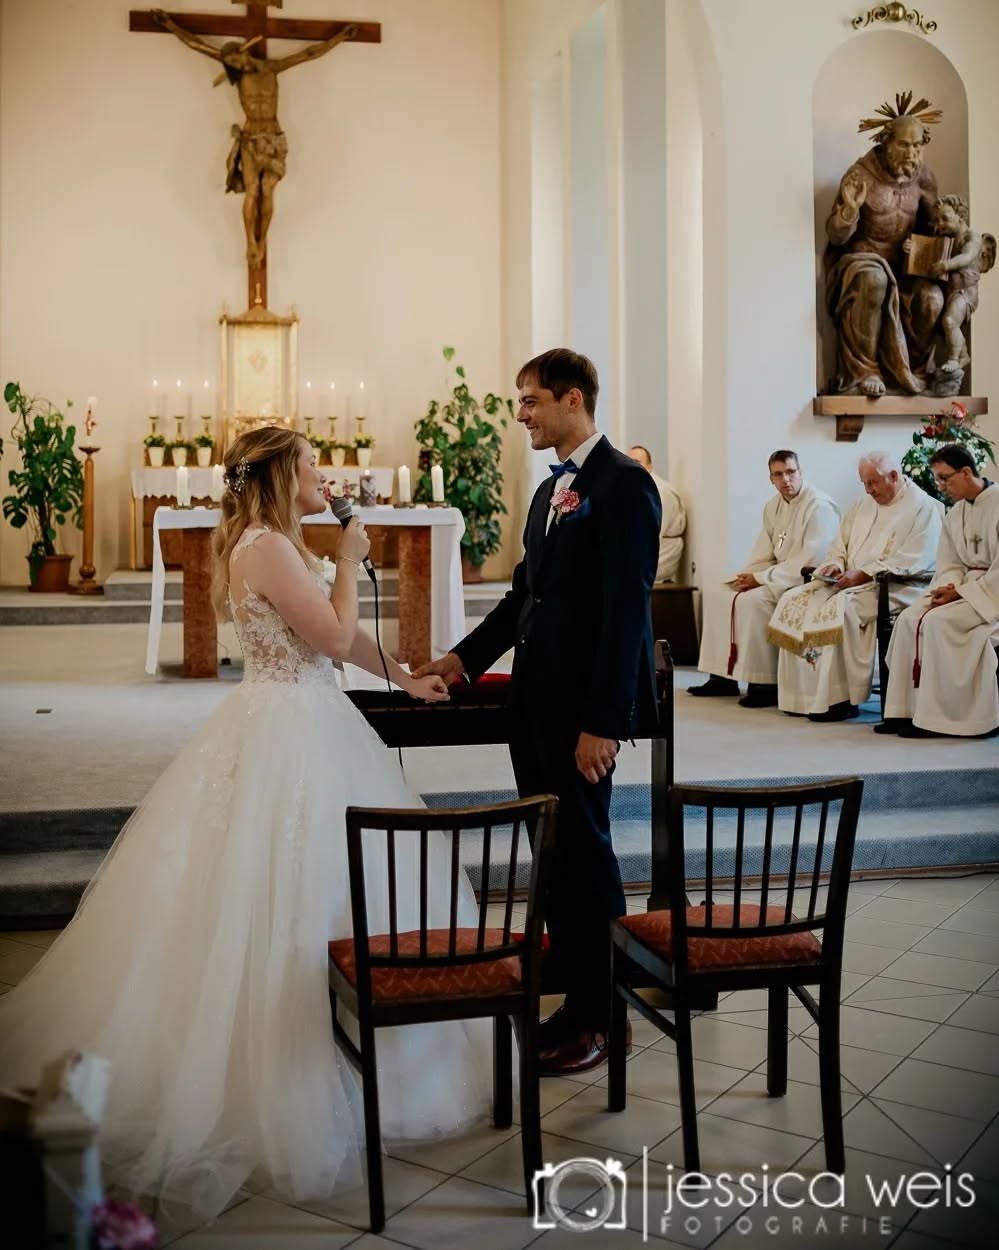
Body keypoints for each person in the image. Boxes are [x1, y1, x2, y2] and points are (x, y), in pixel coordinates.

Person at [0, 427, 492, 1218]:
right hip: (286, 732)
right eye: (309, 464)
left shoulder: (279, 543)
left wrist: (402, 677)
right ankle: (284, 1071)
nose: (322, 474)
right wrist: (350, 548)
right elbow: (329, 635)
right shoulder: (267, 546)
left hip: (307, 712)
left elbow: (335, 642)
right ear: (277, 476)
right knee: (278, 889)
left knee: (330, 884)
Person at [414, 349, 661, 1076]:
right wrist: (463, 659)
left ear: (572, 400)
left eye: (529, 401)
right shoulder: (548, 491)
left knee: (586, 858)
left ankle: (605, 1017)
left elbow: (624, 616)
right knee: (552, 858)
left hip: (582, 712)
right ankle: (575, 1003)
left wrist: (603, 723)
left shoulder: (623, 486)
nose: (519, 414)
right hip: (536, 704)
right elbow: (526, 595)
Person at [153, 10, 358, 268]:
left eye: (236, 60)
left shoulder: (272, 68)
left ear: (243, 51)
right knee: (252, 191)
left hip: (273, 139)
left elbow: (309, 54)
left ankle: (263, 239)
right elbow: (197, 44)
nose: (237, 67)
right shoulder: (238, 75)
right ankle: (251, 241)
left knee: (268, 189)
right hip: (250, 138)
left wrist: (339, 38)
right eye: (232, 66)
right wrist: (171, 25)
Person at [770, 451, 943, 721]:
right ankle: (802, 697)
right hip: (851, 581)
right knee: (794, 599)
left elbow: (916, 559)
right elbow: (840, 543)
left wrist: (864, 574)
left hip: (896, 588)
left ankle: (840, 698)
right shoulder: (863, 504)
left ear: (894, 476)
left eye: (873, 483)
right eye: (864, 483)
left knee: (843, 608)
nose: (869, 490)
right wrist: (835, 564)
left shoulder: (923, 507)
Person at [690, 451, 839, 708]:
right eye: (778, 474)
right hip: (776, 576)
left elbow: (810, 560)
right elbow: (764, 550)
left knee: (752, 603)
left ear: (800, 472)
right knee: (720, 595)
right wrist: (749, 576)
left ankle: (764, 683)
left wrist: (760, 579)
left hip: (804, 581)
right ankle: (722, 677)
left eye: (791, 472)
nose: (786, 480)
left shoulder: (819, 507)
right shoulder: (773, 506)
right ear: (771, 479)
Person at [878, 444, 999, 738]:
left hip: (989, 593)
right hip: (963, 587)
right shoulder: (956, 512)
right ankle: (903, 711)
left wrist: (962, 592)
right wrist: (951, 587)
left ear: (967, 471)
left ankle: (942, 718)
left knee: (936, 623)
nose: (941, 486)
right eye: (938, 479)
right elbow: (949, 560)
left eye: (945, 478)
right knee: (908, 620)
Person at [824, 101, 943, 396]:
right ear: (886, 142)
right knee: (874, 278)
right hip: (861, 265)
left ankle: (914, 371)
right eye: (903, 145)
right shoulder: (861, 175)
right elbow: (837, 237)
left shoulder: (925, 180)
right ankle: (864, 369)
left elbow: (936, 230)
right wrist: (849, 210)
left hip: (905, 273)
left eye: (917, 146)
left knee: (932, 298)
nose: (912, 154)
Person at [924, 195, 996, 378]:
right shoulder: (946, 240)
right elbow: (924, 251)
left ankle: (954, 359)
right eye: (938, 220)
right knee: (943, 326)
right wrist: (911, 248)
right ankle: (963, 354)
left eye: (945, 218)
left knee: (949, 321)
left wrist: (946, 265)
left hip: (966, 292)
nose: (940, 224)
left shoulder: (972, 238)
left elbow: (968, 257)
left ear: (960, 215)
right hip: (950, 291)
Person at [626, 445, 686, 582]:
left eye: (636, 462)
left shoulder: (661, 491)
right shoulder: (637, 488)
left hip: (662, 555)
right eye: (627, 462)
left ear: (650, 467)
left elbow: (652, 536)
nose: (630, 466)